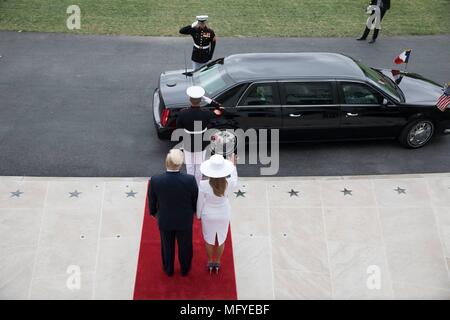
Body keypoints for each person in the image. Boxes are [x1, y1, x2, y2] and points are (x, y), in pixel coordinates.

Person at [148, 149, 198, 277]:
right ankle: (185, 269)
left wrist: (154, 213)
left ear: (166, 162)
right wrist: (193, 212)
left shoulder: (155, 180)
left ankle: (168, 269)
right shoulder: (190, 180)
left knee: (166, 246)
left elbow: (152, 200)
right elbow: (195, 199)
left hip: (165, 220)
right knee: (185, 247)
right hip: (184, 220)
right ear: (180, 164)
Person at [197, 154, 238, 274]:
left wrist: (198, 215)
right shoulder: (230, 183)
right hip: (223, 213)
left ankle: (210, 261)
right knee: (221, 239)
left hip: (208, 214)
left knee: (209, 240)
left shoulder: (203, 184)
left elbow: (200, 202)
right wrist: (234, 165)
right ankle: (218, 262)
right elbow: (235, 179)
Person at [177, 86, 223, 185]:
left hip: (188, 141)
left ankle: (190, 185)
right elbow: (221, 108)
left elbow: (179, 128)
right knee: (199, 166)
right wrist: (207, 99)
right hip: (202, 142)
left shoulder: (183, 113)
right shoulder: (206, 113)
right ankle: (197, 185)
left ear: (190, 99)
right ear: (200, 101)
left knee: (189, 166)